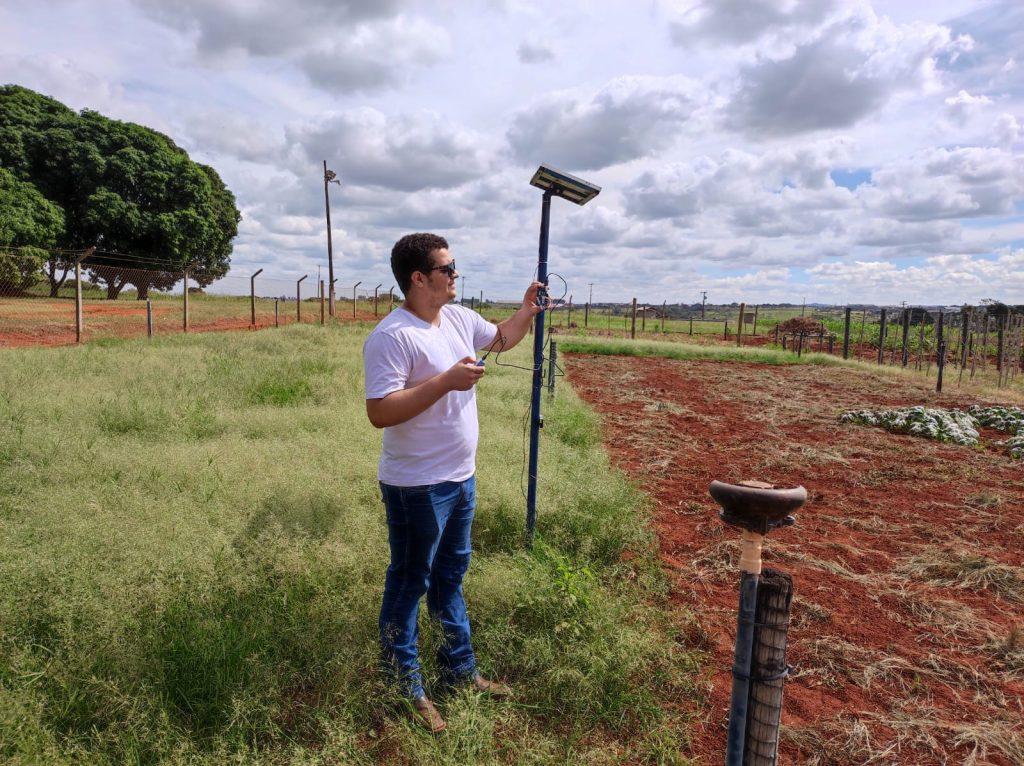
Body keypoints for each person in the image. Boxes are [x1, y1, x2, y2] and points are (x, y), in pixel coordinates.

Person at [362, 232, 544, 733]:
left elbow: (501, 338)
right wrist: (445, 381)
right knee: (409, 583)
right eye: (447, 268)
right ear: (419, 278)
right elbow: (380, 412)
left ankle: (460, 673)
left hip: (460, 480)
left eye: (453, 267)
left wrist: (526, 311)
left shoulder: (460, 318)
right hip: (416, 488)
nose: (455, 275)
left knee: (450, 579)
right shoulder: (392, 336)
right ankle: (406, 690)